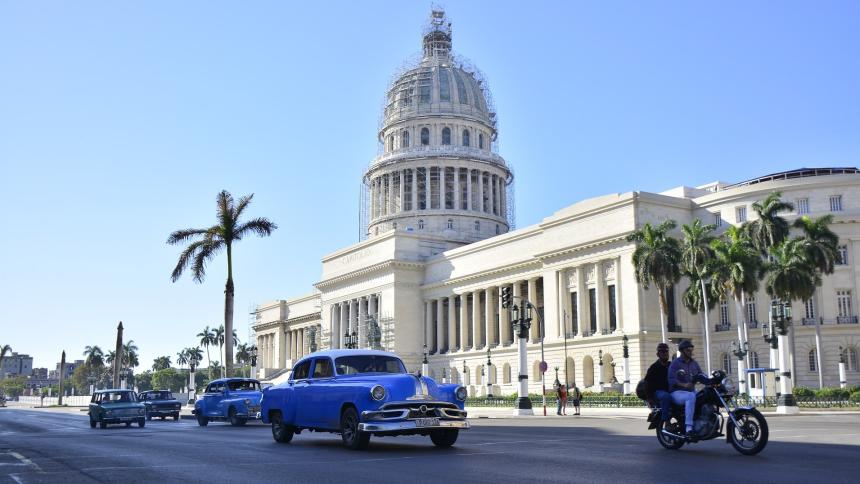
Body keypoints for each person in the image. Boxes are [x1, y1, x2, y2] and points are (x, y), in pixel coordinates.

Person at [668, 339, 703, 437]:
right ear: (682, 351)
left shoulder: (694, 363)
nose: (690, 352)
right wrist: (684, 385)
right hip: (676, 392)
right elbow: (671, 380)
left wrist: (712, 380)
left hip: (690, 391)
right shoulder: (675, 363)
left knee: (705, 395)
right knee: (690, 397)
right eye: (688, 350)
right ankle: (689, 428)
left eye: (691, 349)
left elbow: (700, 375)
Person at [644, 343, 672, 422]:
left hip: (671, 390)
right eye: (662, 352)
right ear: (658, 354)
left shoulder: (671, 365)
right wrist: (649, 398)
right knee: (666, 396)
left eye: (666, 351)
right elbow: (647, 383)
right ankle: (666, 421)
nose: (665, 353)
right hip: (658, 392)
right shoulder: (654, 367)